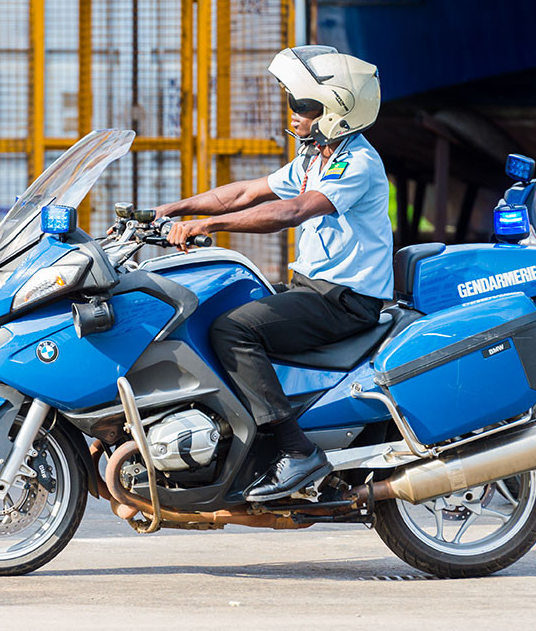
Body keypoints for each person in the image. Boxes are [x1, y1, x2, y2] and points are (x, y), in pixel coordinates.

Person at [154, 45, 393, 502]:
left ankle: (297, 451)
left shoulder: (356, 163)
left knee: (233, 331)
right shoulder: (315, 157)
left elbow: (296, 210)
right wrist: (171, 208)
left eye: (305, 106)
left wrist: (207, 225)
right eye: (294, 104)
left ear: (338, 112)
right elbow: (244, 193)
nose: (296, 115)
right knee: (211, 309)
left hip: (345, 300)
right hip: (313, 287)